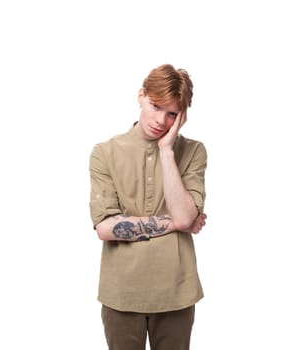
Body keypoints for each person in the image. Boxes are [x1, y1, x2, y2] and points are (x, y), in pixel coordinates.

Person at [88, 63, 208, 350]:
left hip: (177, 292)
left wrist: (166, 151)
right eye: (155, 106)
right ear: (141, 95)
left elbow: (184, 215)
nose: (160, 120)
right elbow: (105, 228)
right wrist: (178, 222)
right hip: (121, 293)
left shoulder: (193, 152)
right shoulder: (104, 153)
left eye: (172, 114)